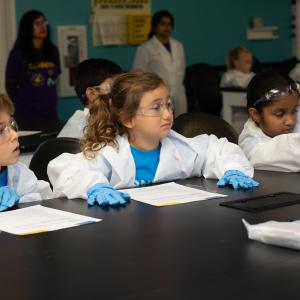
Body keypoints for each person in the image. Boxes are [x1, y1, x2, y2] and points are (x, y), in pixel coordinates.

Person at [48, 70, 258, 206]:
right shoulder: (109, 153)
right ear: (128, 119)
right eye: (156, 107)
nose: (167, 114)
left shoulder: (181, 148)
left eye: (168, 104)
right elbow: (68, 171)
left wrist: (232, 169)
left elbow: (218, 148)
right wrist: (94, 186)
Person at [239, 69, 300, 172]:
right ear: (256, 115)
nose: (290, 121)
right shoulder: (253, 148)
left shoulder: (290, 111)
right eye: (279, 114)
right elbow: (289, 150)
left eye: (294, 111)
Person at [0, 94, 53, 212]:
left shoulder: (19, 172)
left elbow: (45, 198)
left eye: (11, 125)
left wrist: (22, 201)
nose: (14, 135)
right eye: (1, 130)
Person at [5, 10, 61, 120]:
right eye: (37, 23)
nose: (42, 26)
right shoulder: (18, 53)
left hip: (50, 113)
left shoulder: (53, 51)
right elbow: (10, 84)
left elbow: (55, 77)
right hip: (26, 113)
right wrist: (24, 101)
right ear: (28, 27)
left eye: (44, 22)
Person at [133, 10, 187, 117]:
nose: (167, 27)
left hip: (178, 92)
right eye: (163, 24)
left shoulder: (178, 46)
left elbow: (182, 68)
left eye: (169, 24)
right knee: (162, 122)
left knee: (181, 122)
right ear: (154, 26)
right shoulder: (145, 48)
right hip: (156, 93)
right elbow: (138, 74)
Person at [57, 58, 122, 138]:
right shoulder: (83, 129)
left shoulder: (108, 120)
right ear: (91, 93)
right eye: (115, 87)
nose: (121, 92)